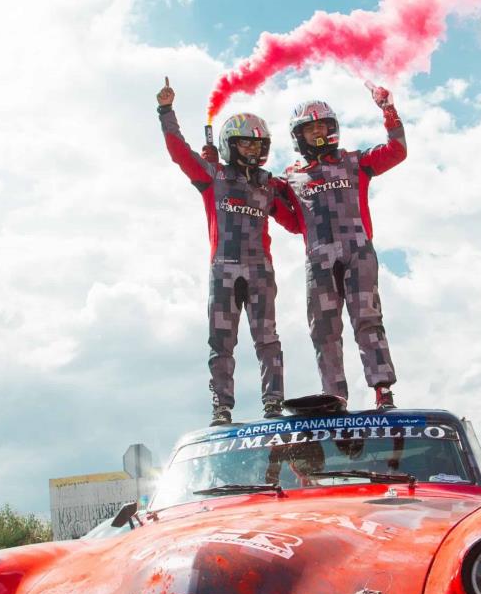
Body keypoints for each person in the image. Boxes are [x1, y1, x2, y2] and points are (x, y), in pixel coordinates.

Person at [157, 77, 297, 426]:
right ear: (229, 145)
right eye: (245, 145)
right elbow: (178, 151)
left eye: (258, 145)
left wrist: (304, 185)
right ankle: (222, 407)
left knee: (268, 339)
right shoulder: (213, 176)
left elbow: (294, 223)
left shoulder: (270, 184)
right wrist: (166, 111)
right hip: (224, 269)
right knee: (221, 344)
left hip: (260, 271)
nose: (252, 151)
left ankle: (274, 403)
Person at [279, 85, 407, 409]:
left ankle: (382, 391)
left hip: (358, 251)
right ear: (299, 136)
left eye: (322, 125)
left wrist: (387, 110)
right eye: (310, 128)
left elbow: (396, 150)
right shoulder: (291, 177)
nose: (317, 131)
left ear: (333, 128)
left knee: (367, 318)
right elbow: (294, 222)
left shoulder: (356, 161)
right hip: (318, 259)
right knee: (323, 330)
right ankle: (334, 396)